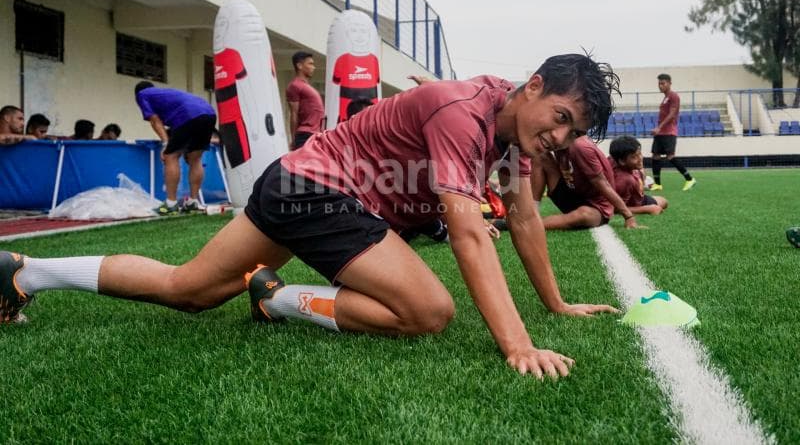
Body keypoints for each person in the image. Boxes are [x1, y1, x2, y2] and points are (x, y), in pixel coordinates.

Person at [2, 54, 621, 381]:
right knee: (428, 311)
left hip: (298, 184)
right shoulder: (464, 109)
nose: (563, 137)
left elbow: (523, 220)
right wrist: (517, 345)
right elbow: (467, 235)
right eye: (561, 117)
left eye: (576, 131)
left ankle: (25, 273)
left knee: (189, 289)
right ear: (534, 87)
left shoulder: (514, 138)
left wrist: (557, 305)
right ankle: (277, 299)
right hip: (319, 192)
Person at [134, 81, 217, 214]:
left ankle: (171, 204)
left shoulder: (142, 94)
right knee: (195, 159)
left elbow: (155, 121)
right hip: (209, 113)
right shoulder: (164, 94)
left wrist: (166, 144)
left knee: (170, 156)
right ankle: (192, 203)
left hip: (188, 114)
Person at [532, 135, 639, 230]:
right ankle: (532, 212)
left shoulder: (580, 146)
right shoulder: (559, 142)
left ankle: (531, 224)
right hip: (573, 194)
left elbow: (602, 182)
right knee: (540, 155)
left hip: (597, 207)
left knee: (584, 214)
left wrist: (628, 216)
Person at [650, 74, 696, 192]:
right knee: (655, 155)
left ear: (670, 83)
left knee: (670, 156)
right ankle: (657, 184)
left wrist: (659, 127)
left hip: (669, 132)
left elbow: (672, 114)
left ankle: (689, 179)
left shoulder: (673, 96)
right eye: (659, 83)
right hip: (661, 133)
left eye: (663, 83)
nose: (660, 86)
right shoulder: (665, 98)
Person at [608, 136, 668, 215]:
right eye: (634, 157)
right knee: (662, 202)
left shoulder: (614, 159)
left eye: (639, 154)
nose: (640, 158)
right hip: (631, 202)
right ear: (622, 161)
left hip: (635, 194)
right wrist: (646, 209)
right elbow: (616, 209)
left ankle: (641, 186)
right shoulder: (625, 180)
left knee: (663, 201)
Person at [286, 51, 324, 149]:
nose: (313, 67)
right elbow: (294, 114)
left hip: (315, 134)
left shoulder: (306, 86)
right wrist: (294, 139)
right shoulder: (294, 86)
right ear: (299, 66)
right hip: (305, 135)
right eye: (310, 64)